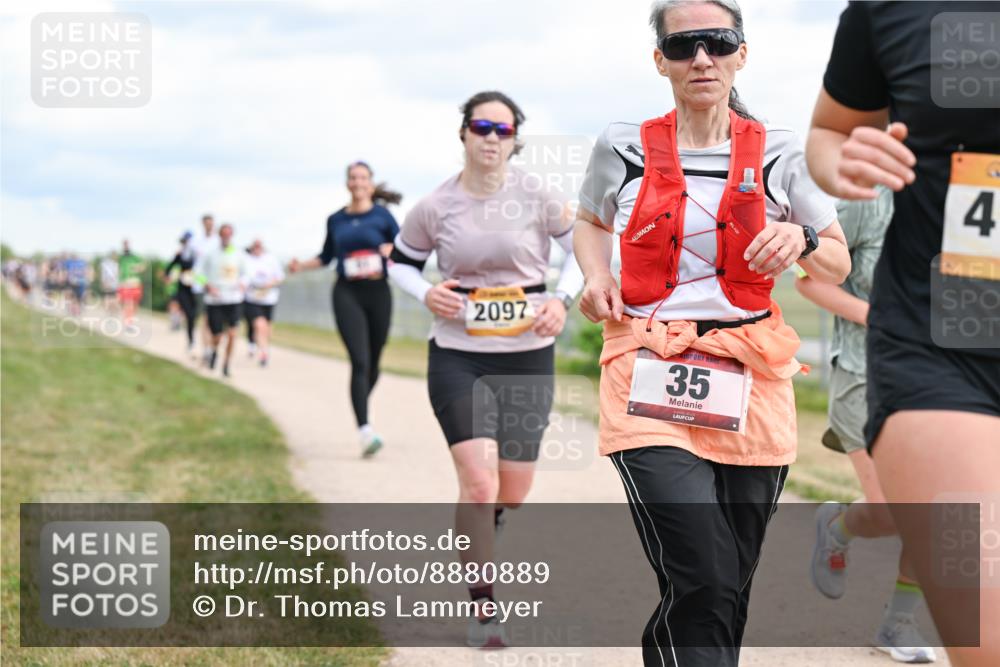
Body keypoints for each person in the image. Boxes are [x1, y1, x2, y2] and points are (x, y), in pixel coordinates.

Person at [573, 2, 850, 664]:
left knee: (729, 580)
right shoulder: (622, 145)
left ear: (741, 54)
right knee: (704, 571)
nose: (702, 58)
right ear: (660, 60)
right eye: (684, 45)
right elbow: (590, 220)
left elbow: (837, 261)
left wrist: (804, 237)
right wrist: (596, 274)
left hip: (751, 372)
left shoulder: (781, 151)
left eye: (718, 42)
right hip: (648, 363)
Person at [806, 3, 1000, 665]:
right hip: (942, 346)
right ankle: (892, 613)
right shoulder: (891, 10)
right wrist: (842, 162)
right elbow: (832, 131)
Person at [388, 90, 584, 649]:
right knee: (478, 482)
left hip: (527, 352)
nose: (492, 138)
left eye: (503, 130)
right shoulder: (435, 205)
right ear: (464, 133)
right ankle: (483, 607)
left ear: (515, 139)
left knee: (511, 490)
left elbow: (584, 250)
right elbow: (400, 264)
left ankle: (491, 517)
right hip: (458, 352)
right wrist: (427, 294)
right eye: (482, 127)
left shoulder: (538, 194)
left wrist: (561, 301)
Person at [799, 187, 936, 664]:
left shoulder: (971, 210)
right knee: (893, 510)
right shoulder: (871, 202)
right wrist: (877, 318)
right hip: (865, 375)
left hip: (936, 383)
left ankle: (898, 622)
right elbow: (810, 281)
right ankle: (837, 527)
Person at [288, 162, 401, 456]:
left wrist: (394, 251)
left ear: (371, 184)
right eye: (353, 177)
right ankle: (365, 430)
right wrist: (300, 266)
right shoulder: (335, 219)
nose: (358, 182)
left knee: (375, 361)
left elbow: (406, 250)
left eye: (363, 177)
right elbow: (326, 256)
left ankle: (360, 401)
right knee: (360, 360)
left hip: (378, 292)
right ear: (347, 183)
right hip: (347, 292)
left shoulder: (383, 216)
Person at [194, 223, 246, 378]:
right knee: (217, 335)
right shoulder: (210, 254)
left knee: (232, 334)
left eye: (229, 234)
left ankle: (226, 365)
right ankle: (214, 351)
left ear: (232, 235)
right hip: (215, 300)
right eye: (224, 234)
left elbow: (246, 274)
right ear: (220, 235)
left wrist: (243, 283)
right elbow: (198, 273)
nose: (226, 237)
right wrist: (207, 285)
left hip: (234, 299)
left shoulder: (239, 254)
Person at [243, 238, 284, 367]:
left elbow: (280, 277)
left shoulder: (271, 259)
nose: (257, 248)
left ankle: (263, 346)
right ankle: (264, 353)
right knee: (259, 325)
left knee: (267, 328)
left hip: (269, 298)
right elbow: (243, 278)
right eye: (255, 246)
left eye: (259, 246)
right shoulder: (246, 260)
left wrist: (269, 285)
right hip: (252, 298)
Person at [163, 231, 200, 355]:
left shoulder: (198, 255)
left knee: (194, 315)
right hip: (183, 288)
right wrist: (167, 276)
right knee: (189, 314)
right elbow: (169, 267)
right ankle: (191, 340)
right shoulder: (180, 255)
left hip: (196, 288)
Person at [191, 214, 218, 366]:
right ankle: (207, 350)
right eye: (206, 223)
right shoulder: (196, 242)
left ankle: (213, 347)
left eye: (211, 223)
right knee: (206, 318)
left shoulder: (218, 241)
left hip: (218, 286)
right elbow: (195, 267)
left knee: (216, 321)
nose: (209, 225)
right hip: (201, 285)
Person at [117, 240, 146, 328]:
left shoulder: (135, 257)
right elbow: (118, 270)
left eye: (127, 245)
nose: (126, 247)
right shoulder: (121, 258)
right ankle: (128, 322)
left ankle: (130, 319)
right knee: (128, 303)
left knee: (135, 304)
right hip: (125, 283)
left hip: (135, 283)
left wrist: (138, 268)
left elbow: (143, 265)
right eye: (124, 245)